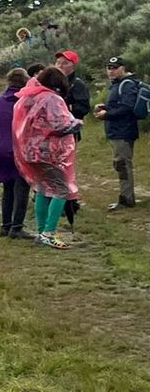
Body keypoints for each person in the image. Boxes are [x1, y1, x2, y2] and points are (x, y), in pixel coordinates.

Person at [13, 67, 82, 250]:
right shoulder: (51, 99)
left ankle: (41, 231)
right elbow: (59, 125)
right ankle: (48, 233)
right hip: (48, 153)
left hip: (29, 151)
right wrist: (76, 123)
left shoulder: (28, 97)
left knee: (42, 189)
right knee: (61, 190)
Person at [0, 68, 31, 238]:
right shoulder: (25, 103)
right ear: (25, 83)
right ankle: (16, 228)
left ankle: (5, 225)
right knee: (22, 188)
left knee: (8, 187)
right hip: (18, 151)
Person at [97, 55, 141, 210]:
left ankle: (126, 199)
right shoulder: (117, 84)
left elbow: (127, 108)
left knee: (122, 164)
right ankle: (126, 197)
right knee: (120, 163)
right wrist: (106, 108)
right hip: (117, 130)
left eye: (115, 68)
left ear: (123, 68)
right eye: (109, 68)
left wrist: (107, 114)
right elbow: (119, 105)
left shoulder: (127, 84)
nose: (111, 71)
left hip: (124, 131)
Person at [54, 50, 90, 228]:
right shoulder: (53, 82)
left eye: (64, 62)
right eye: (58, 62)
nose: (60, 65)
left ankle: (69, 203)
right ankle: (55, 200)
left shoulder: (78, 84)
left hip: (69, 132)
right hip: (52, 133)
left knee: (65, 168)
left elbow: (84, 107)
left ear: (73, 65)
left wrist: (66, 108)